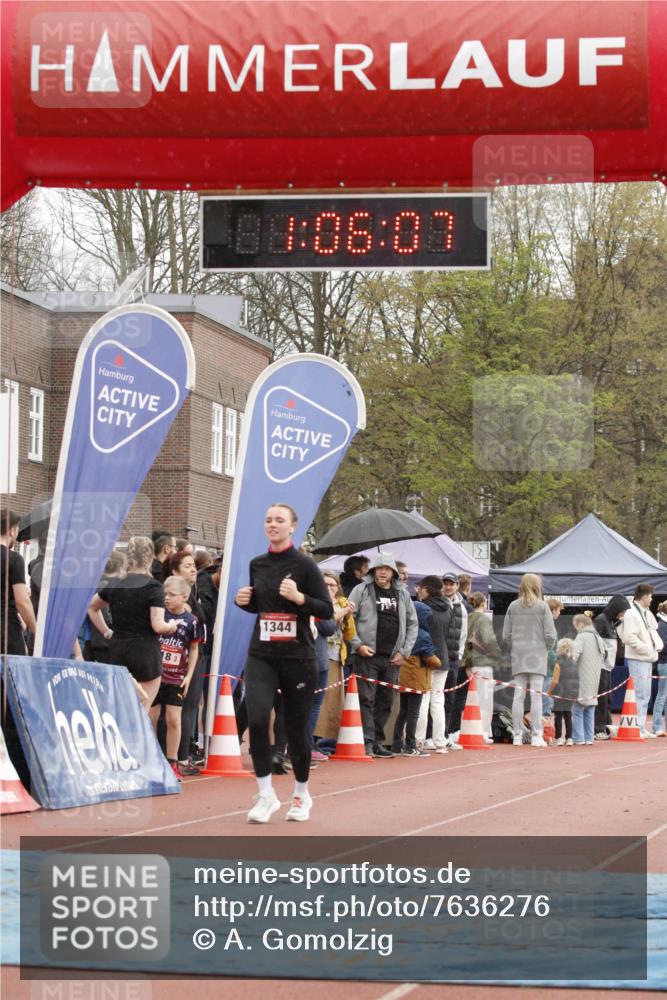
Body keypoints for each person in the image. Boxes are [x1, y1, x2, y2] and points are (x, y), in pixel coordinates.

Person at [235, 503, 333, 824]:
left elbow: (326, 610)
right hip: (262, 653)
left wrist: (300, 598)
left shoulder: (305, 566)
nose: (272, 524)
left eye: (279, 520)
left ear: (293, 527)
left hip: (297, 656)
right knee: (259, 719)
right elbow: (262, 608)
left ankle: (302, 794)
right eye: (268, 520)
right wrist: (245, 603)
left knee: (294, 728)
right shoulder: (257, 564)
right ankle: (265, 795)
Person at [88, 536, 177, 708]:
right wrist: (171, 626)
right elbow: (158, 625)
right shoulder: (153, 587)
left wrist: (106, 631)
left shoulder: (116, 583)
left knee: (120, 708)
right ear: (150, 557)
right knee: (141, 712)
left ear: (128, 556)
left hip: (118, 651)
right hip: (145, 654)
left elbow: (92, 607)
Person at [348, 552, 418, 758]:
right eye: (379, 568)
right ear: (373, 571)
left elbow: (413, 624)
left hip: (393, 658)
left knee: (386, 701)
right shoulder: (361, 590)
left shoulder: (403, 594)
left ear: (393, 573)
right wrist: (357, 644)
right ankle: (367, 742)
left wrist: (405, 652)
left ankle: (378, 740)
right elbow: (348, 619)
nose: (383, 572)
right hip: (367, 655)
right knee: (366, 698)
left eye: (387, 569)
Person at [150, 576, 201, 779]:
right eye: (165, 594)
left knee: (173, 719)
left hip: (176, 677)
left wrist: (189, 675)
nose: (167, 598)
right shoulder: (158, 616)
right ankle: (152, 759)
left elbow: (194, 648)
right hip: (155, 675)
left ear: (184, 597)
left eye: (171, 595)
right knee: (150, 718)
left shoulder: (191, 622)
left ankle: (172, 763)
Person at [502, 573, 557, 747]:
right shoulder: (542, 607)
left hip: (519, 654)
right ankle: (536, 735)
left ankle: (517, 734)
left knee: (518, 696)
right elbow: (550, 634)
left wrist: (515, 647)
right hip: (538, 654)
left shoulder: (513, 606)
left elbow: (505, 635)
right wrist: (546, 648)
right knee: (536, 697)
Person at [314, 571, 356, 755]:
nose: (329, 588)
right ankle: (312, 742)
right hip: (318, 656)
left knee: (331, 704)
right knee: (317, 704)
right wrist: (338, 614)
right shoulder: (315, 603)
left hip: (337, 656)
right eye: (325, 585)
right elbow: (326, 627)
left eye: (332, 585)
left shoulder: (342, 604)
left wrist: (347, 615)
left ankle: (325, 743)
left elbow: (350, 634)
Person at [391, 600, 439, 756]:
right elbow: (430, 658)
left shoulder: (403, 631)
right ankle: (411, 745)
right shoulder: (424, 635)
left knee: (403, 712)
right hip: (417, 679)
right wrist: (439, 662)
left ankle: (397, 744)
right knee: (413, 713)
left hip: (403, 677)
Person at [415, 575, 452, 753]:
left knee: (423, 699)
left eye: (420, 587)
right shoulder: (448, 608)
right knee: (438, 700)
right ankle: (440, 741)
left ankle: (418, 739)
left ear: (427, 589)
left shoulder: (423, 608)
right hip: (443, 657)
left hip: (426, 657)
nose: (418, 590)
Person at [621, 583, 663, 739]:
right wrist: (646, 648)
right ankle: (637, 726)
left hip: (646, 658)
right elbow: (629, 637)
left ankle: (641, 726)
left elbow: (652, 629)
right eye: (651, 596)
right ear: (645, 596)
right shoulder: (632, 613)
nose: (652, 599)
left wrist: (653, 648)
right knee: (639, 693)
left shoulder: (645, 612)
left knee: (645, 694)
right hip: (638, 658)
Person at [463, 592, 501, 744]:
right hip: (483, 662)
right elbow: (490, 640)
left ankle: (472, 729)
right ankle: (483, 731)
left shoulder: (467, 618)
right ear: (483, 603)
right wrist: (497, 653)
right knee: (485, 700)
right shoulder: (484, 619)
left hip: (469, 662)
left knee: (473, 699)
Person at [593, 595, 630, 739]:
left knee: (607, 697)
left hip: (608, 666)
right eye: (622, 611)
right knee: (601, 697)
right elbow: (596, 641)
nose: (623, 615)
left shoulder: (613, 623)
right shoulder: (601, 620)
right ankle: (598, 728)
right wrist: (604, 655)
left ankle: (606, 724)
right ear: (616, 609)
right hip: (600, 665)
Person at [0, 508, 37, 654]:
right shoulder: (14, 559)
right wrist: (36, 630)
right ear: (11, 531)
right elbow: (22, 601)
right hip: (6, 632)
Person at [85, 549, 127, 662]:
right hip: (104, 641)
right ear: (120, 568)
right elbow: (105, 613)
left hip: (94, 638)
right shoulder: (109, 584)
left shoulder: (96, 581)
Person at [571, 613, 607, 746]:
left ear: (580, 624)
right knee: (590, 707)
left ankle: (578, 737)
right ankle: (589, 737)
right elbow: (604, 656)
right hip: (595, 677)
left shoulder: (581, 637)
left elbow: (574, 655)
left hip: (581, 676)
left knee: (578, 708)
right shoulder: (597, 637)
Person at [442, 573, 467, 739]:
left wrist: (459, 655)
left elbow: (463, 634)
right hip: (437, 658)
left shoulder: (462, 608)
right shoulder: (438, 603)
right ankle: (432, 735)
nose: (448, 587)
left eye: (451, 584)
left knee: (449, 699)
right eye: (446, 584)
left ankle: (446, 734)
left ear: (457, 586)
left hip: (452, 658)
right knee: (436, 699)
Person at [548, 637, 578, 746]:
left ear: (561, 649)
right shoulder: (574, 663)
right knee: (568, 715)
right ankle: (569, 737)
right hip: (571, 693)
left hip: (560, 693)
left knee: (558, 715)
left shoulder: (558, 663)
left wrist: (549, 691)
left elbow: (555, 680)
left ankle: (558, 737)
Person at [653, 601, 667, 737]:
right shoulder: (662, 625)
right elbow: (663, 646)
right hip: (664, 664)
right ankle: (657, 726)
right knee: (661, 695)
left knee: (665, 696)